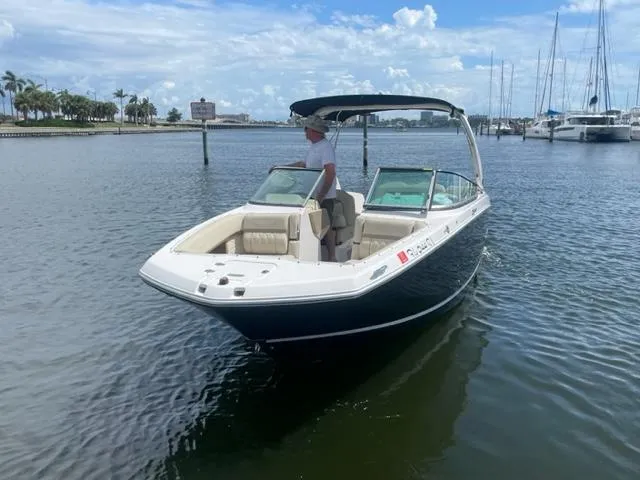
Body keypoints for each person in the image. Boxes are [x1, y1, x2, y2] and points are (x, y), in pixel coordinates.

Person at [270, 115, 338, 262]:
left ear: (312, 130)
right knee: (313, 223)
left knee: (326, 225)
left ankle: (332, 257)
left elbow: (330, 172)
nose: (304, 132)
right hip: (312, 194)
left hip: (324, 196)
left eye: (305, 129)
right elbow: (303, 164)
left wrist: (321, 196)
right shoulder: (314, 147)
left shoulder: (325, 147)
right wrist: (281, 167)